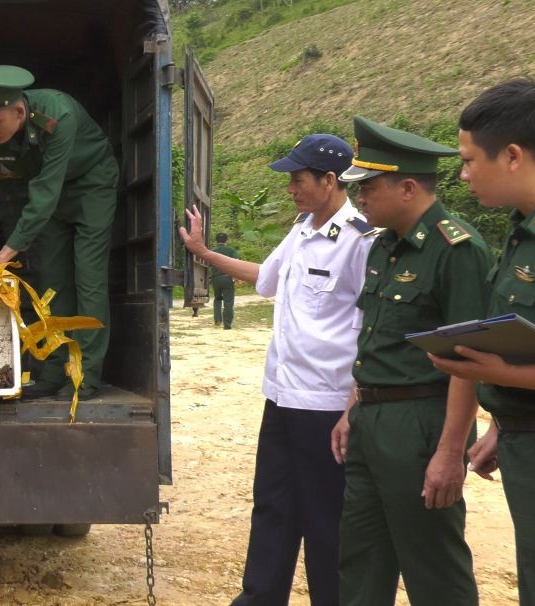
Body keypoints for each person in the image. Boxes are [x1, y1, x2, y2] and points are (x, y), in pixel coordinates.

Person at [180, 134, 374, 606]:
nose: (291, 189)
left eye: (298, 180)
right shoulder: (302, 229)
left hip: (327, 408)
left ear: (330, 181)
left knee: (325, 521)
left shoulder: (361, 241)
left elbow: (375, 330)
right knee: (272, 508)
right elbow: (265, 279)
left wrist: (354, 406)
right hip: (283, 399)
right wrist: (204, 253)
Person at [330, 116, 494, 606]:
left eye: (368, 188)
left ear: (406, 188)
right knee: (360, 560)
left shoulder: (456, 250)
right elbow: (376, 339)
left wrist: (449, 452)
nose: (359, 198)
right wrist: (350, 410)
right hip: (371, 419)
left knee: (432, 567)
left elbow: (468, 360)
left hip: (421, 423)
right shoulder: (383, 246)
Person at [429, 78, 535, 606]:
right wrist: (504, 418)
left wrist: (492, 376)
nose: (464, 174)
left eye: (471, 160)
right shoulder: (521, 232)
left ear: (513, 155)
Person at [0, 65, 119, 401]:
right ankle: (52, 370)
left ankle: (84, 376)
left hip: (90, 186)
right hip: (48, 197)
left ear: (18, 110)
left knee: (87, 277)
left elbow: (44, 195)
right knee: (51, 281)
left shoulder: (58, 114)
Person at [211, 232, 238, 329]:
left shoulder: (212, 251)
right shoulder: (231, 251)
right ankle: (227, 324)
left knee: (217, 298)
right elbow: (236, 263)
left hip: (215, 278)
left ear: (216, 241)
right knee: (228, 301)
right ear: (227, 240)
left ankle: (217, 319)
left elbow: (208, 264)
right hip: (227, 278)